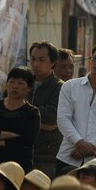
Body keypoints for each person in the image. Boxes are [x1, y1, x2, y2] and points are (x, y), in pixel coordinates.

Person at [0, 67, 40, 171]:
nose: (15, 86)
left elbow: (28, 140)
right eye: (12, 82)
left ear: (29, 88)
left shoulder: (32, 113)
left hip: (19, 167)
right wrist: (7, 135)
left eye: (20, 83)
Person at [27, 41, 64, 178]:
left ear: (53, 62)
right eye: (33, 59)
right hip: (21, 150)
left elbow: (52, 116)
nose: (36, 64)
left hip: (46, 154)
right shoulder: (23, 82)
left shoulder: (60, 87)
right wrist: (40, 123)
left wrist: (23, 111)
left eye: (41, 60)